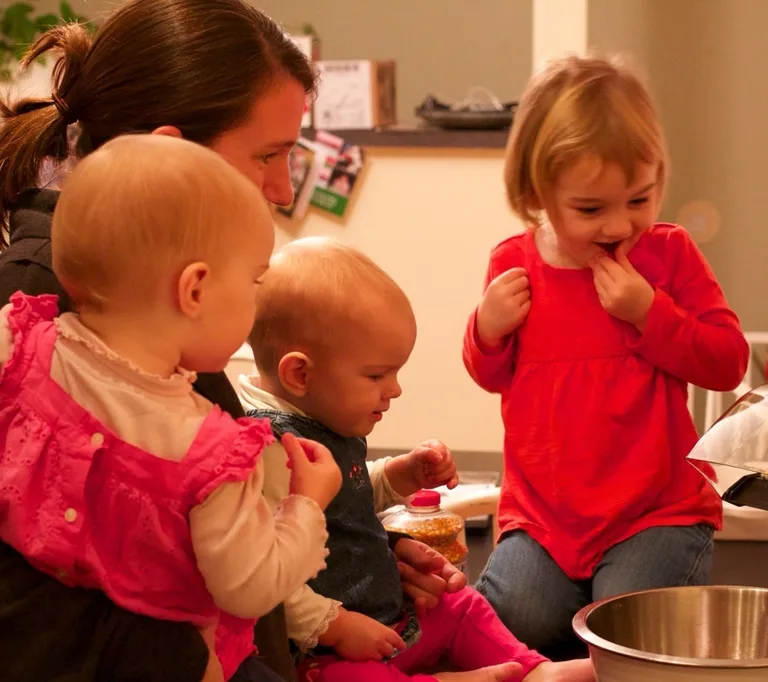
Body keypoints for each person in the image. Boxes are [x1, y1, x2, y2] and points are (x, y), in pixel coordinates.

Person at [0, 2, 466, 680]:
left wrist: (356, 553)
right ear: (173, 152)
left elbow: (167, 518)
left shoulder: (123, 297)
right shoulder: (49, 308)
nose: (282, 188)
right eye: (268, 155)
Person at [0, 134, 345, 680]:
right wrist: (307, 504)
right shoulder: (211, 455)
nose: (256, 300)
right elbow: (250, 586)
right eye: (254, 280)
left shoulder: (17, 343)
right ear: (195, 290)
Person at [462, 55, 751, 654]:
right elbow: (490, 375)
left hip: (656, 513)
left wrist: (651, 313)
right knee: (512, 624)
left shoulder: (668, 255)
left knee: (628, 633)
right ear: (537, 194)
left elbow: (728, 360)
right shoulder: (513, 264)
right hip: (544, 520)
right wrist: (485, 331)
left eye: (639, 199)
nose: (620, 226)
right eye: (591, 209)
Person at [240, 238, 595, 682]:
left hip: (392, 616)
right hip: (328, 650)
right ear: (300, 373)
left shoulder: (323, 419)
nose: (394, 389)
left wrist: (399, 474)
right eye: (376, 375)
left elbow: (349, 492)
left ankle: (533, 670)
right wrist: (335, 625)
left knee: (460, 605)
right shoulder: (269, 450)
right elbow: (262, 571)